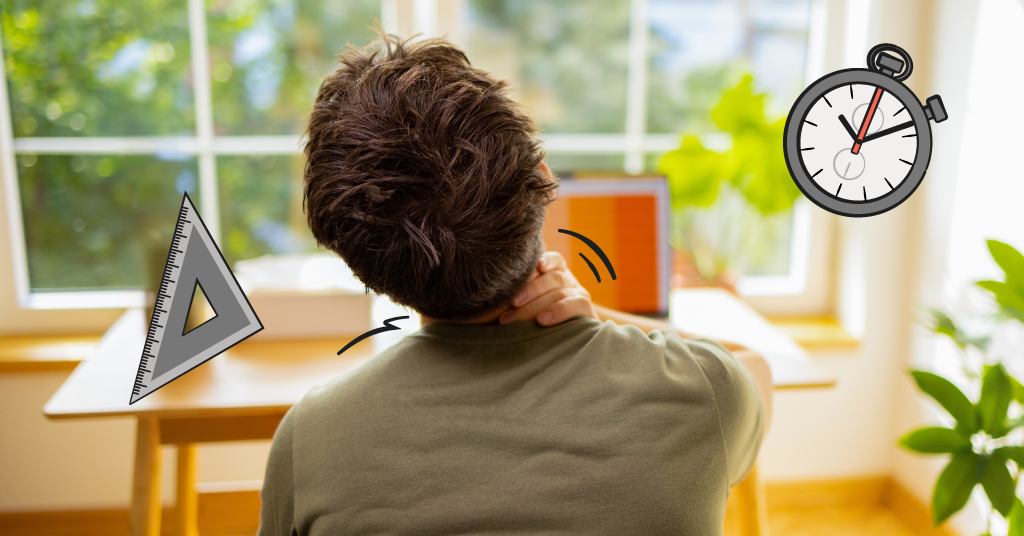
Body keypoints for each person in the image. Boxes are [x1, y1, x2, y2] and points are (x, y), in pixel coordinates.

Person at [257, 28, 771, 536]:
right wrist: (598, 318)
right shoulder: (702, 391)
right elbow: (755, 369)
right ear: (545, 180)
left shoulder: (312, 441)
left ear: (359, 260)